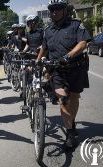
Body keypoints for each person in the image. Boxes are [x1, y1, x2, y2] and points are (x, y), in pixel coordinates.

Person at [37, 0, 91, 149]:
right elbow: (44, 48)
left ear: (64, 10)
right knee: (63, 100)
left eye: (58, 9)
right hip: (58, 71)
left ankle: (71, 123)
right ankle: (70, 132)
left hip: (76, 68)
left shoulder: (75, 25)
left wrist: (68, 56)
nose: (54, 12)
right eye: (52, 9)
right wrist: (37, 61)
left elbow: (83, 43)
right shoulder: (47, 30)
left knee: (74, 97)